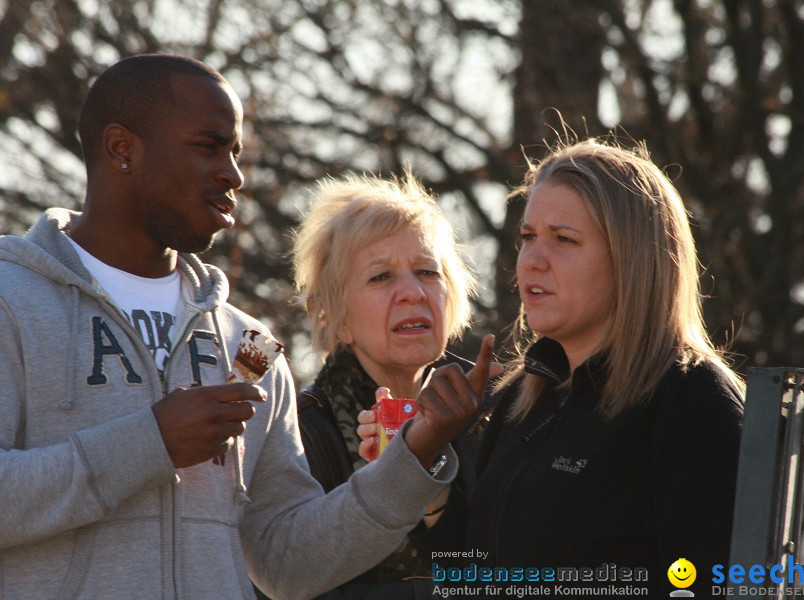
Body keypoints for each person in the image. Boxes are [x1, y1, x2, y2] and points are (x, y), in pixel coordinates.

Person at [0, 54, 491, 600]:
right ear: (123, 149)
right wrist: (151, 440)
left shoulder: (249, 344)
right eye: (208, 147)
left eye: (235, 152)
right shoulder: (11, 299)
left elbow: (288, 564)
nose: (233, 174)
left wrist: (414, 455)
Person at [361, 137, 745, 598]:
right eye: (528, 238)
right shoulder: (516, 402)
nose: (532, 262)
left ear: (631, 257)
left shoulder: (693, 401)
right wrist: (430, 464)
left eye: (563, 240)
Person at [283, 173, 497, 599]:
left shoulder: (497, 410)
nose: (413, 293)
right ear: (336, 316)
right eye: (381, 277)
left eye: (426, 271)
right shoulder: (303, 434)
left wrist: (429, 476)